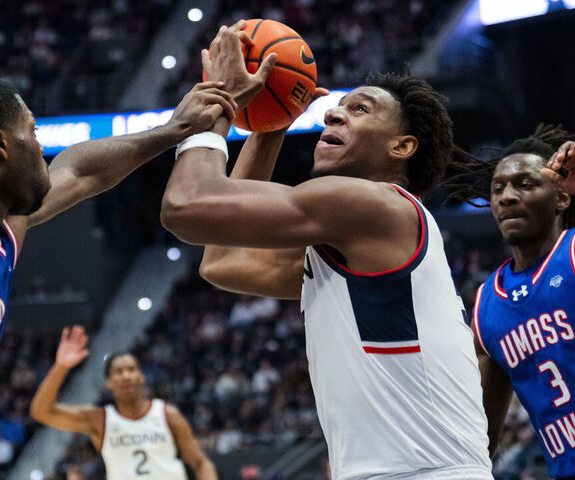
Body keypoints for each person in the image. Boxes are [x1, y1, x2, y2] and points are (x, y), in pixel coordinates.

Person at [160, 22, 492, 479]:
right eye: (336, 107)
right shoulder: (357, 238)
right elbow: (222, 260)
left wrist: (218, 100)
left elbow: (186, 206)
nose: (334, 114)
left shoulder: (373, 205)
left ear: (402, 146)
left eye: (360, 109)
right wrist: (269, 123)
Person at [0, 71, 237, 438]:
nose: (39, 146)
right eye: (32, 132)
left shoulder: (2, 229)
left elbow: (80, 172)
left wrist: (175, 130)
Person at [464, 125, 575, 479]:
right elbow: (479, 437)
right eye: (498, 189)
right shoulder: (486, 306)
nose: (506, 197)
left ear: (560, 197)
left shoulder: (572, 251)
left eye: (525, 184)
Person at [30, 325, 218, 480]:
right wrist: (60, 367)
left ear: (141, 376)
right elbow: (41, 412)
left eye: (131, 369)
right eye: (119, 371)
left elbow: (201, 463)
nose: (126, 375)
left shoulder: (168, 414)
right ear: (109, 382)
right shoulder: (99, 419)